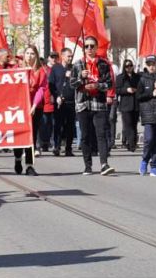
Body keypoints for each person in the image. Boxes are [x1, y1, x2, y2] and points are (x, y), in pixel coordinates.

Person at [68, 36, 114, 175]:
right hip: (83, 104)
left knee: (101, 134)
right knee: (85, 136)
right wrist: (81, 77)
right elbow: (72, 84)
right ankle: (88, 166)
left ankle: (104, 164)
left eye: (92, 46)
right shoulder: (78, 64)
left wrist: (97, 85)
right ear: (83, 48)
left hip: (98, 103)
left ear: (96, 47)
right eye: (86, 46)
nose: (89, 49)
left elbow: (109, 84)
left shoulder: (103, 64)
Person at [17, 44, 45, 175]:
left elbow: (41, 89)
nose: (30, 56)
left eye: (32, 53)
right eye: (27, 53)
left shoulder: (41, 71)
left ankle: (29, 165)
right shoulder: (18, 70)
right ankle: (17, 158)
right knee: (18, 135)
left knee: (31, 136)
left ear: (36, 56)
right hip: (20, 107)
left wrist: (34, 105)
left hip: (35, 107)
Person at [48, 47, 75, 157]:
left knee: (70, 126)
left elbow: (78, 83)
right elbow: (51, 84)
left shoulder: (73, 68)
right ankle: (57, 146)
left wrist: (71, 77)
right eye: (68, 56)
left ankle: (68, 148)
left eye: (71, 56)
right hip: (59, 101)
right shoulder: (56, 68)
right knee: (58, 125)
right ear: (62, 56)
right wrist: (56, 96)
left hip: (71, 101)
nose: (70, 58)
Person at [114, 59, 140, 152]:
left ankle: (131, 142)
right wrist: (126, 90)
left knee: (134, 125)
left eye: (130, 65)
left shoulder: (137, 77)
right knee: (128, 125)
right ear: (124, 67)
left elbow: (141, 88)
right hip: (125, 104)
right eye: (127, 66)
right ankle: (132, 144)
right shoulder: (120, 77)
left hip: (136, 104)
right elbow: (117, 90)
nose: (129, 68)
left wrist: (136, 90)